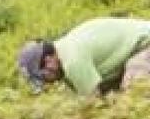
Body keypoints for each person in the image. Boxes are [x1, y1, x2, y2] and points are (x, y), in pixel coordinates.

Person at [18, 17, 150, 97]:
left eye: (43, 77)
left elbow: (93, 104)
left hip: (145, 45)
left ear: (48, 62)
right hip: (133, 51)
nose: (47, 82)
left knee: (133, 94)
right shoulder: (64, 54)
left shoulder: (72, 62)